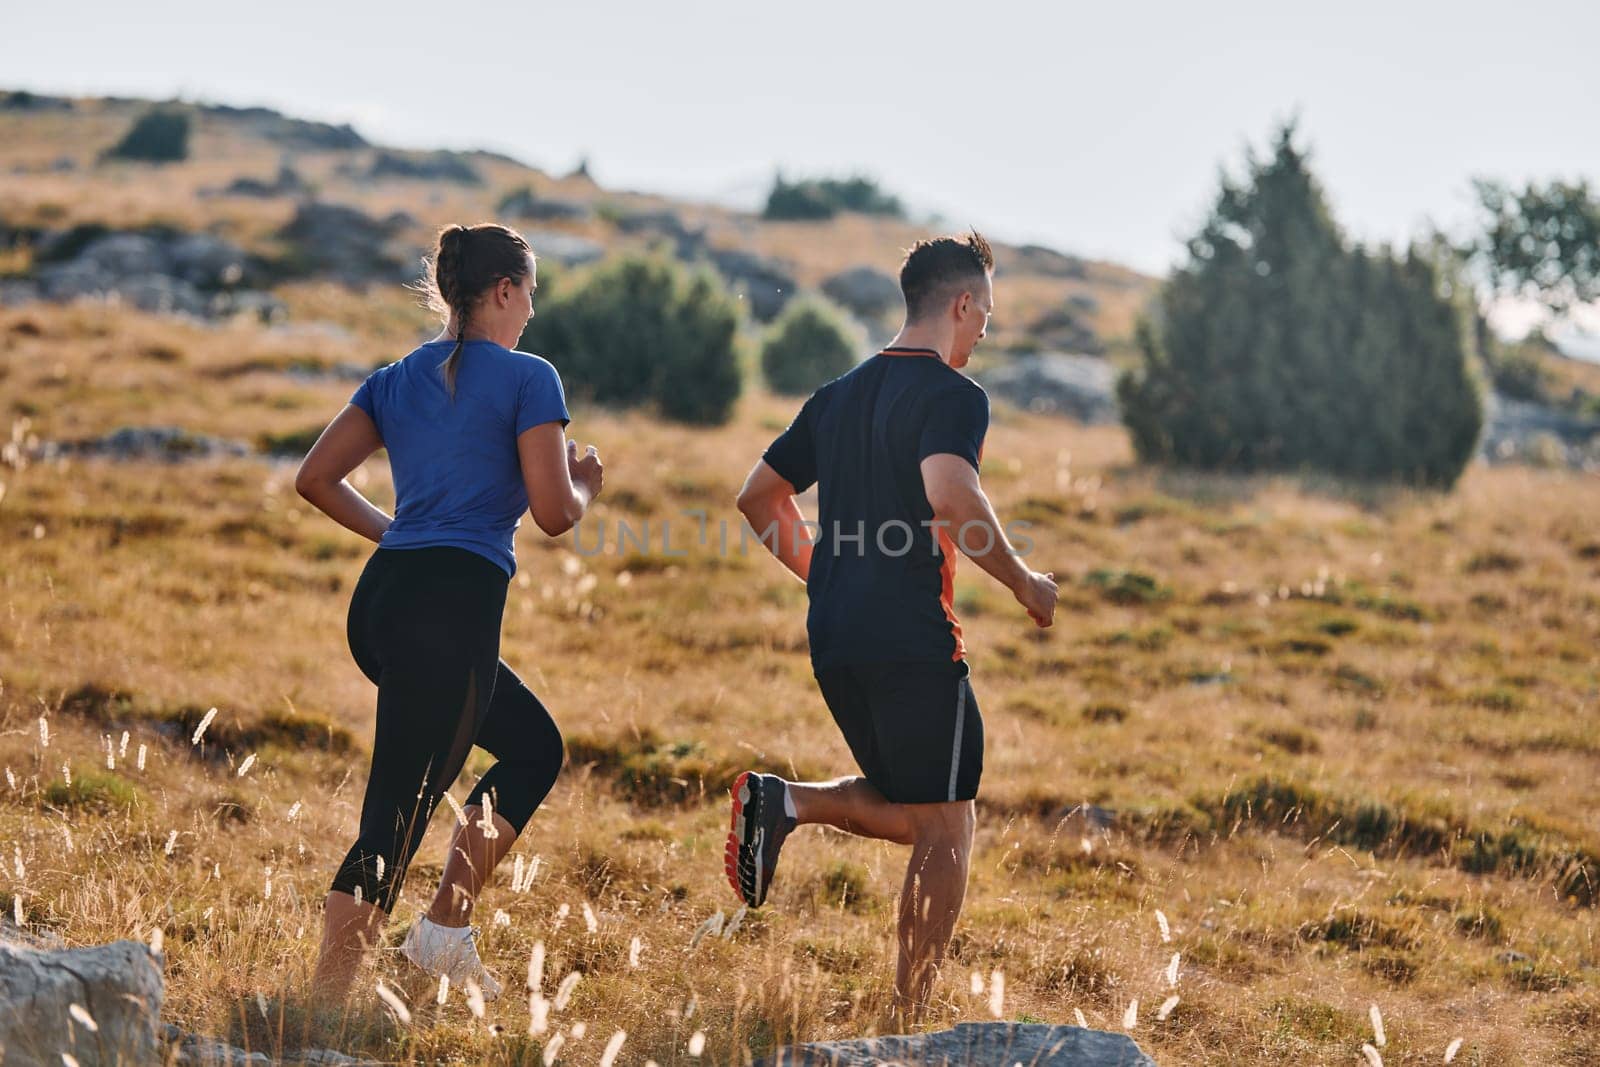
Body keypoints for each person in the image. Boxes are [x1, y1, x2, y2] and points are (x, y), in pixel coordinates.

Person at [728, 231, 1058, 1022]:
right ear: (962, 303)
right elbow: (951, 495)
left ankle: (786, 804)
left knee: (921, 808)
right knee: (948, 821)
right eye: (986, 316)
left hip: (835, 640)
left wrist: (829, 574)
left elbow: (757, 497)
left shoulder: (838, 393)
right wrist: (1025, 583)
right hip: (912, 640)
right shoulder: (952, 395)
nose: (985, 333)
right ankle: (908, 1022)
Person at [294, 223, 602, 1003]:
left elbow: (317, 478)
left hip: (387, 599)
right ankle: (324, 1010)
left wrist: (399, 533)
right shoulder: (531, 378)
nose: (531, 310)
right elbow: (555, 511)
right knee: (396, 808)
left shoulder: (396, 377)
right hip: (450, 607)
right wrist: (586, 480)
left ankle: (443, 931)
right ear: (504, 290)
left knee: (533, 747)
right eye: (529, 292)